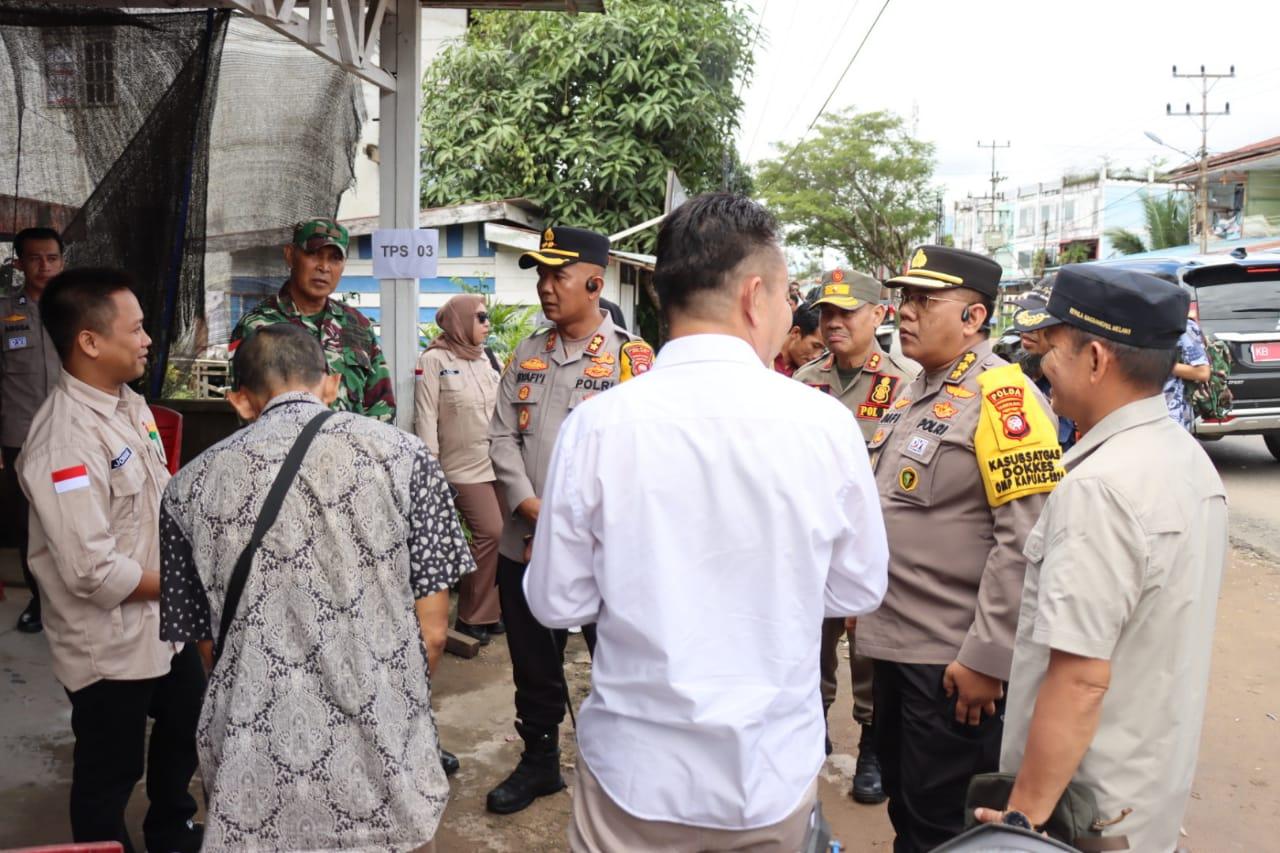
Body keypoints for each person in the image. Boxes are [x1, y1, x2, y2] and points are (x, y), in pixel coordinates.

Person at [525, 194, 888, 852]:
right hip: (768, 776)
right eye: (788, 297)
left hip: (633, 777)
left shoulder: (598, 427)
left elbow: (557, 600)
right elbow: (859, 589)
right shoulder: (824, 424)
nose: (789, 314)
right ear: (755, 296)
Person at [159, 323, 474, 852]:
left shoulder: (187, 486)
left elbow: (207, 646)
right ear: (329, 385)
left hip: (250, 762)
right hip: (380, 755)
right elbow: (435, 633)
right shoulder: (407, 457)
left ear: (240, 401)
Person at [974, 265, 1228, 852]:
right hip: (1146, 793)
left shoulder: (1101, 486)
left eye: (1052, 348)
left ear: (1095, 358)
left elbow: (1081, 678)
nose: (1039, 366)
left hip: (1078, 811)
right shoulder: (1186, 461)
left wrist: (1023, 820)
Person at [858, 246, 1064, 853]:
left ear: (973, 319)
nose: (906, 312)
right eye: (905, 298)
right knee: (906, 803)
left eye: (925, 301)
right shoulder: (910, 390)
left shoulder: (1005, 399)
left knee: (944, 822)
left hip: (950, 660)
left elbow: (1024, 539)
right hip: (894, 641)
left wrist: (987, 657)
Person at [18, 268, 203, 853]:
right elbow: (91, 571)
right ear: (90, 342)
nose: (148, 339)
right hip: (110, 644)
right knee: (110, 772)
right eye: (138, 327)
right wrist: (186, 586)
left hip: (161, 628)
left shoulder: (129, 404)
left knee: (185, 728)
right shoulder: (64, 442)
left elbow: (157, 499)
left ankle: (171, 831)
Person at [486, 225, 654, 815]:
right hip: (523, 541)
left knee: (614, 656)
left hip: (598, 549)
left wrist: (566, 518)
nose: (545, 287)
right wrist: (529, 504)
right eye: (540, 275)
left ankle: (623, 765)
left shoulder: (632, 360)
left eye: (558, 275)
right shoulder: (527, 352)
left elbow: (641, 457)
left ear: (594, 281)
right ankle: (539, 762)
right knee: (533, 659)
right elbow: (501, 436)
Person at [794, 266, 917, 804]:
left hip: (872, 543)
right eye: (826, 312)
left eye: (846, 311)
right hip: (812, 544)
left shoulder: (905, 382)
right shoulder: (803, 383)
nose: (833, 322)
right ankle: (811, 730)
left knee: (868, 652)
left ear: (878, 315)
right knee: (808, 645)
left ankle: (870, 746)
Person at [230, 217, 395, 421]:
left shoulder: (358, 326)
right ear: (290, 255)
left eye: (335, 258)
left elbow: (383, 405)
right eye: (313, 254)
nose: (324, 267)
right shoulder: (256, 326)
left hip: (350, 448)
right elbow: (246, 407)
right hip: (284, 449)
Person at [415, 294, 504, 643]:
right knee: (491, 532)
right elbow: (425, 416)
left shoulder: (487, 358)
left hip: (496, 463)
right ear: (460, 321)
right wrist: (431, 471)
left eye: (487, 318)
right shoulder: (434, 360)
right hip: (459, 468)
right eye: (480, 318)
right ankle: (471, 617)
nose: (486, 324)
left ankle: (491, 612)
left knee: (503, 538)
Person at [2, 227, 64, 633]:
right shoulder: (5, 312)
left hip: (72, 435)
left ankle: (69, 603)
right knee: (30, 523)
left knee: (73, 519)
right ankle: (38, 603)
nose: (45, 266)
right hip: (21, 437)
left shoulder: (79, 307)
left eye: (52, 258)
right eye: (36, 258)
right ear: (19, 263)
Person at [1010, 288, 1076, 451]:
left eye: (1037, 320)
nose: (1026, 329)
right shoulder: (1009, 376)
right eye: (1023, 317)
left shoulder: (1072, 388)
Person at [1164, 314, 1210, 431]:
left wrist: (1160, 364)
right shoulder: (1140, 324)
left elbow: (1202, 373)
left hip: (1174, 414)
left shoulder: (1184, 326)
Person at [772, 301, 824, 376]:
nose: (817, 356)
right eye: (815, 346)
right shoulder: (761, 353)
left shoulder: (809, 376)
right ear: (795, 332)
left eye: (823, 351)